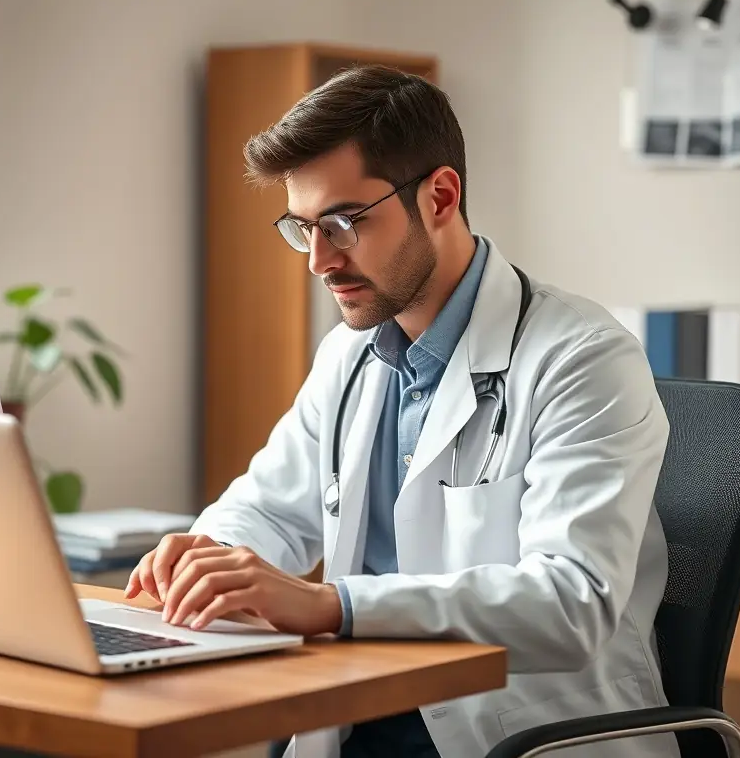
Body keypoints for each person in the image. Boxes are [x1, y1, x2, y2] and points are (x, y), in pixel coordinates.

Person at [125, 65, 679, 758]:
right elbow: (269, 510)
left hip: (521, 739)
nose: (319, 262)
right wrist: (210, 556)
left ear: (440, 196)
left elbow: (571, 603)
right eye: (303, 229)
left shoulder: (584, 360)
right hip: (357, 724)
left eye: (344, 223)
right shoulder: (348, 358)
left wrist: (335, 605)